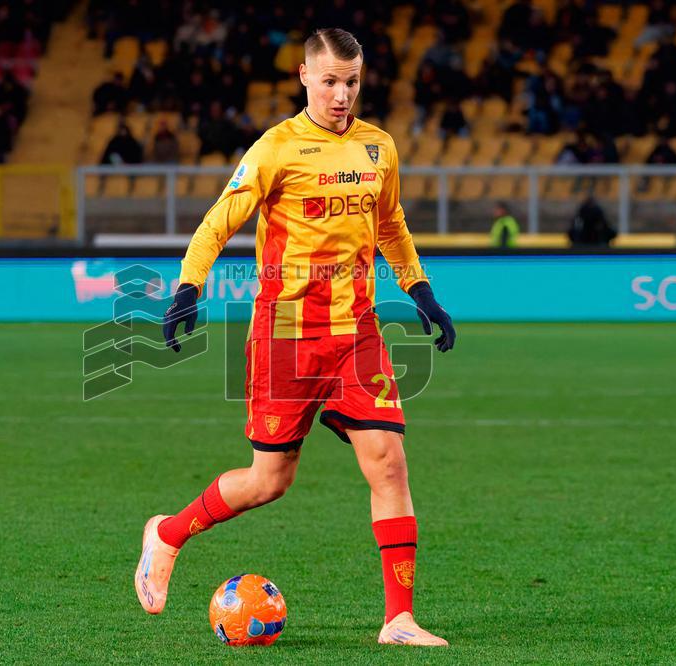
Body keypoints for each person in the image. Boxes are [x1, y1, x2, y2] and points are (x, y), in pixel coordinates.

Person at [136, 28, 456, 648]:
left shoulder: (378, 148)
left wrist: (420, 291)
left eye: (352, 82)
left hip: (358, 331)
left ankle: (399, 619)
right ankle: (168, 534)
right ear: (305, 77)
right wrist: (187, 287)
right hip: (286, 333)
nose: (342, 94)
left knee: (389, 464)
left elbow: (390, 224)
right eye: (331, 81)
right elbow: (217, 221)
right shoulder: (276, 149)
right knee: (269, 481)